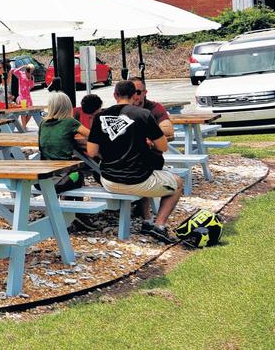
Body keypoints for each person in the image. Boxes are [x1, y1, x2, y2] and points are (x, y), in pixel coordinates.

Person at [86, 80, 183, 243]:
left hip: (108, 180)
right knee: (178, 183)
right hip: (137, 180)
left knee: (146, 173)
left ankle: (146, 220)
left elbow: (91, 152)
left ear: (115, 95)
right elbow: (163, 146)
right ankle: (159, 226)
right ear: (134, 95)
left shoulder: (100, 117)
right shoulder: (144, 115)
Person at [38, 92, 89, 193]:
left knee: (71, 173)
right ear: (68, 106)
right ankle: (74, 207)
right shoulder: (69, 122)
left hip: (42, 179)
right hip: (61, 178)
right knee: (79, 175)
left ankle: (66, 203)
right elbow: (91, 135)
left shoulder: (43, 123)